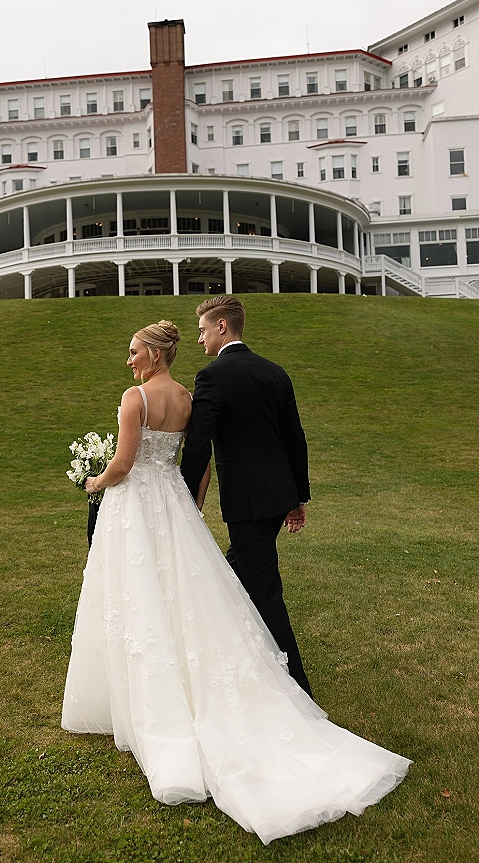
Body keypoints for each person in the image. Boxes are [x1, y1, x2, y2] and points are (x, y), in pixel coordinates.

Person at [62, 320, 410, 844]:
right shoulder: (190, 394)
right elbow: (198, 456)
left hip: (137, 506)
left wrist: (94, 479)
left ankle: (154, 700)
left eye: (134, 352)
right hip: (178, 507)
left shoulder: (137, 397)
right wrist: (191, 502)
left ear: (154, 355)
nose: (129, 359)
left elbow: (125, 463)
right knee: (188, 593)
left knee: (140, 597)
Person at [180, 296, 312, 696]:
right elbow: (295, 438)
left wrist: (182, 497)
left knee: (265, 591)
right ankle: (231, 656)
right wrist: (296, 497)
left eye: (203, 329)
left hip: (248, 505)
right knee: (230, 573)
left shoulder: (212, 377)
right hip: (274, 502)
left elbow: (198, 446)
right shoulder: (276, 372)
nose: (199, 338)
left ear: (222, 327)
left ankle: (298, 688)